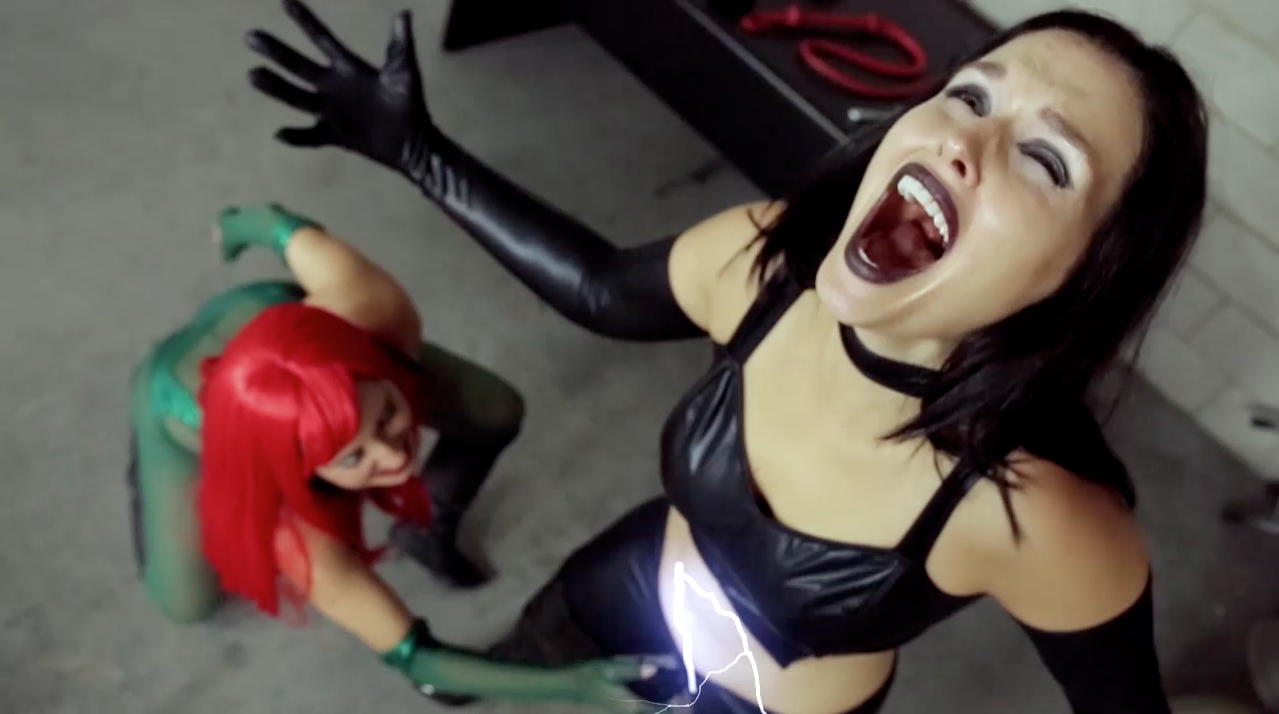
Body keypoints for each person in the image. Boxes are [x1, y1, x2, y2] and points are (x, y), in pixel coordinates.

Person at [242, 2, 1207, 712]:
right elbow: (599, 288)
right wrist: (418, 152)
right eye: (970, 94)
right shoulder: (763, 264)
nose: (966, 140)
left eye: (1045, 160)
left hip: (767, 706)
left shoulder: (1036, 514)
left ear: (1087, 278)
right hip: (630, 582)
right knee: (490, 677)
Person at [125, 202, 672, 711]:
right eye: (352, 457)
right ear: (304, 473)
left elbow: (282, 227)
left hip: (294, 333)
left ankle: (423, 526)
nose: (392, 458)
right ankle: (146, 481)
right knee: (187, 602)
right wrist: (573, 683)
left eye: (387, 416)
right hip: (173, 406)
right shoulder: (294, 526)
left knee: (493, 409)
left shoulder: (374, 312)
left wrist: (244, 224)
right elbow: (418, 662)